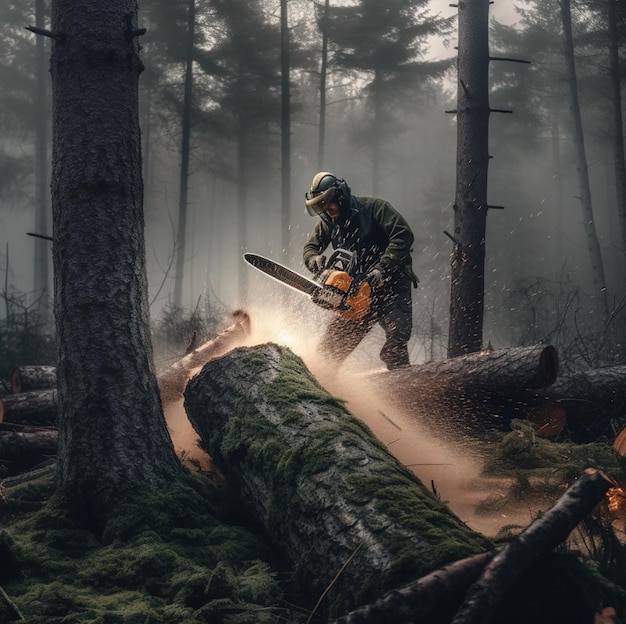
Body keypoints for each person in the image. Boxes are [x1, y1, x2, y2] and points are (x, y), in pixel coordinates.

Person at [303, 171, 418, 370]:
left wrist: (382, 267)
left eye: (328, 204)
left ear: (339, 196)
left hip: (391, 286)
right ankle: (319, 385)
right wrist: (314, 260)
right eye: (321, 206)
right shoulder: (329, 223)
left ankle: (403, 388)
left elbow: (403, 235)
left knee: (396, 339)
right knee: (329, 352)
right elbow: (310, 248)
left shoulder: (374, 208)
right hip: (357, 292)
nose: (327, 210)